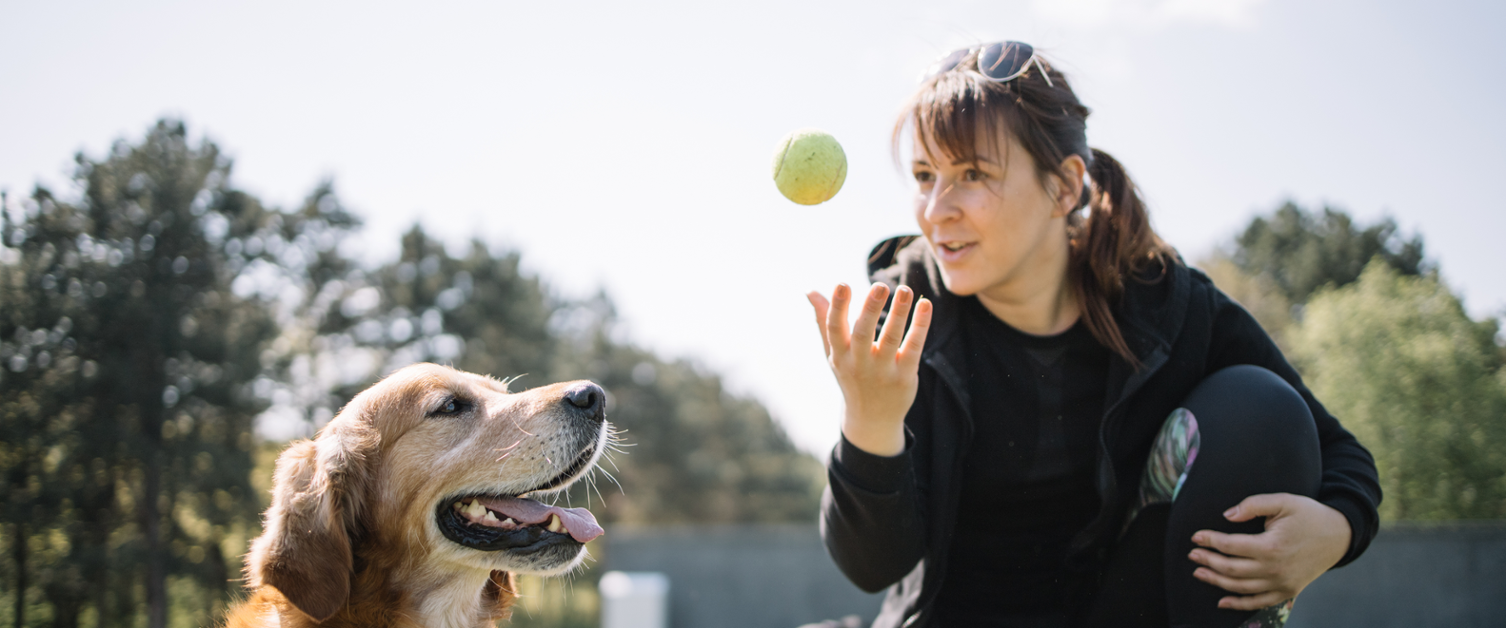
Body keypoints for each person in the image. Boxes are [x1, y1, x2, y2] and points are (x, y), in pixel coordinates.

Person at [806, 42, 1382, 628]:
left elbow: (1339, 453)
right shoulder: (909, 312)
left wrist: (1337, 531)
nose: (935, 209)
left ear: (1064, 186)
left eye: (972, 174)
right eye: (925, 175)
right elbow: (870, 567)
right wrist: (870, 424)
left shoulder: (1165, 306)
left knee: (1257, 406)